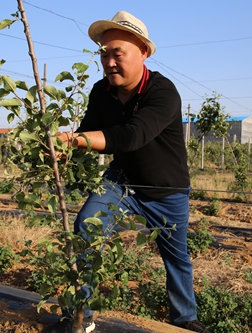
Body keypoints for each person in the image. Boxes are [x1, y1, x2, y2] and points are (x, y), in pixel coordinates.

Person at [47, 11, 211, 333]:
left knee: (176, 258)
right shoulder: (100, 91)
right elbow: (89, 132)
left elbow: (131, 136)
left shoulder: (163, 92)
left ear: (143, 53)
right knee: (86, 229)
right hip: (121, 181)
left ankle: (185, 320)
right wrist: (60, 147)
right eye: (104, 55)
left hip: (167, 190)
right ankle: (80, 318)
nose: (109, 63)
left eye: (117, 54)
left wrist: (71, 139)